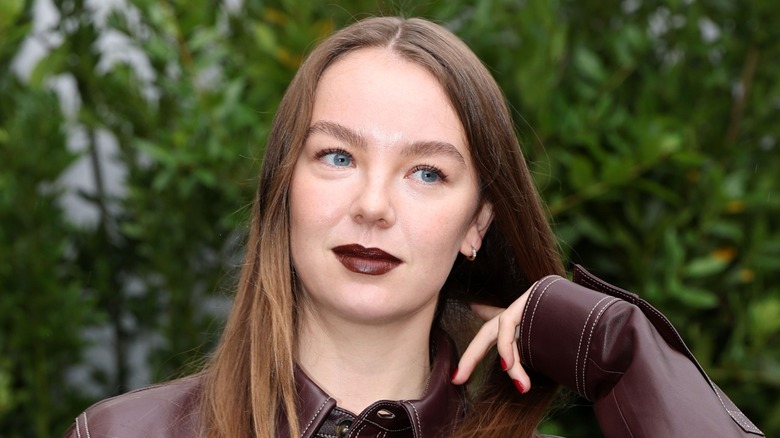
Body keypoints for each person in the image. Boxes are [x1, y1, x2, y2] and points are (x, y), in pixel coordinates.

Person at [65, 16, 763, 438]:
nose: (373, 205)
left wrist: (616, 348)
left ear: (476, 223)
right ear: (284, 189)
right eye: (337, 156)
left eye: (426, 172)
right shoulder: (122, 434)